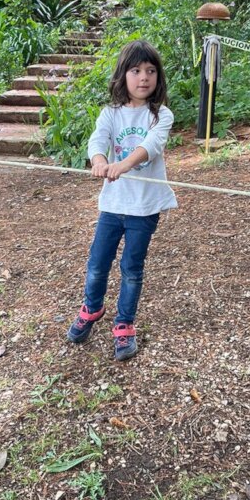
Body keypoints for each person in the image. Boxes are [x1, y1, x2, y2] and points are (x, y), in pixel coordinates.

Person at [67, 39, 177, 361]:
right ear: (122, 76)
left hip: (144, 208)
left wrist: (122, 164)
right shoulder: (110, 114)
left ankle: (125, 323)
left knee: (131, 268)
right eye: (136, 70)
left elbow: (152, 146)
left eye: (151, 71)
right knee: (97, 264)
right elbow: (97, 140)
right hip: (112, 206)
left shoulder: (161, 115)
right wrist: (99, 161)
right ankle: (92, 308)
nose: (144, 77)